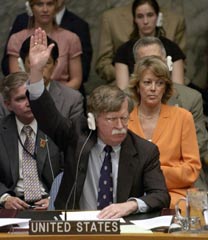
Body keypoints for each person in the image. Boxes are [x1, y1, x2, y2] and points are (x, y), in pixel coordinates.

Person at [27, 28, 170, 218]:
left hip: (122, 228)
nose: (120, 126)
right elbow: (46, 113)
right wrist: (36, 71)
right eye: (111, 119)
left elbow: (160, 195)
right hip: (76, 225)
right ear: (93, 120)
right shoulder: (75, 136)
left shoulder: (144, 150)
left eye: (124, 118)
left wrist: (130, 205)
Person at [127, 55, 201, 209]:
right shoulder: (125, 119)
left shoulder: (182, 117)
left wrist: (151, 175)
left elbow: (192, 170)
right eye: (147, 82)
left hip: (174, 197)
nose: (153, 88)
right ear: (137, 86)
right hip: (131, 198)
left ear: (166, 87)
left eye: (159, 83)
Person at [0, 72, 63, 210]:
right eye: (21, 99)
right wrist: (5, 198)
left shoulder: (55, 127)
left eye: (31, 96)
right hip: (12, 204)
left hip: (50, 201)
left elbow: (71, 170)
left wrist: (54, 198)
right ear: (8, 104)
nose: (28, 103)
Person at [1, 0, 92, 88]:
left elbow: (76, 81)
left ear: (56, 6)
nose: (45, 9)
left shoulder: (71, 38)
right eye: (39, 4)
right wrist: (35, 94)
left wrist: (54, 95)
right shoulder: (17, 39)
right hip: (26, 97)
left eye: (50, 4)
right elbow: (16, 80)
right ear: (31, 7)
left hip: (62, 97)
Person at [95, 1, 186, 84]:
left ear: (157, 17)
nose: (145, 21)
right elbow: (124, 92)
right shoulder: (123, 51)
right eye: (140, 16)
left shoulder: (172, 48)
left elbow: (178, 89)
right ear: (134, 19)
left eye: (150, 15)